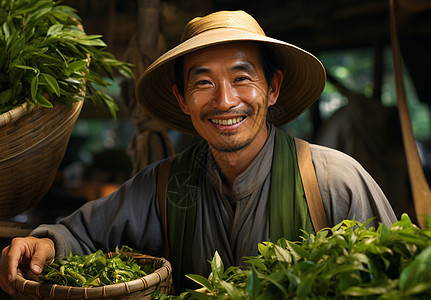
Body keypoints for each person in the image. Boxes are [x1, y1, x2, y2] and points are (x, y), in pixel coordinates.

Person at [0, 10, 397, 295]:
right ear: (183, 98)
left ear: (272, 88)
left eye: (242, 78)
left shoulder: (334, 182)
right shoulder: (162, 186)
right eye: (203, 82)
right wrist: (47, 244)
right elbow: (79, 234)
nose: (225, 101)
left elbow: (395, 277)